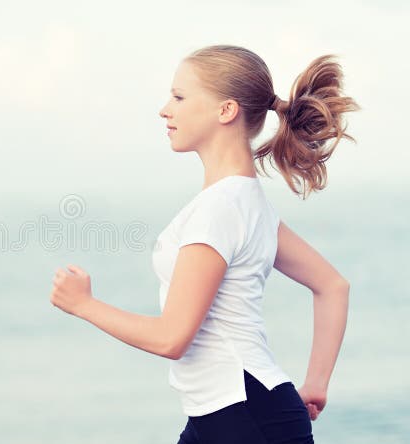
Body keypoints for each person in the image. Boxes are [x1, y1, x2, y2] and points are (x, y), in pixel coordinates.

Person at [49, 44, 357, 443]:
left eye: (179, 97)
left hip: (243, 417)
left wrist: (85, 305)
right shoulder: (248, 204)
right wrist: (316, 383)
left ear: (225, 110)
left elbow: (171, 338)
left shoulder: (219, 210)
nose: (165, 109)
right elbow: (333, 286)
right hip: (228, 415)